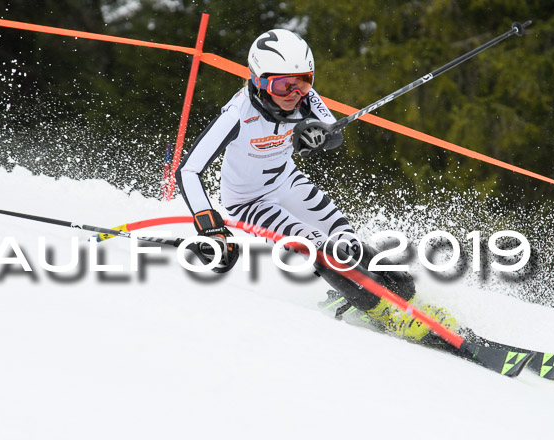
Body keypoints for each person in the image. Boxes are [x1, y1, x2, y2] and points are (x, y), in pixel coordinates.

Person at [177, 28, 456, 343]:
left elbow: (334, 133)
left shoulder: (304, 99)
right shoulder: (237, 114)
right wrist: (208, 224)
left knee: (346, 241)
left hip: (287, 181)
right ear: (258, 80)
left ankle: (405, 295)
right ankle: (382, 310)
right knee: (318, 248)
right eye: (282, 84)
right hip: (249, 202)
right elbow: (188, 171)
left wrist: (316, 132)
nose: (294, 93)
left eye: (303, 81)